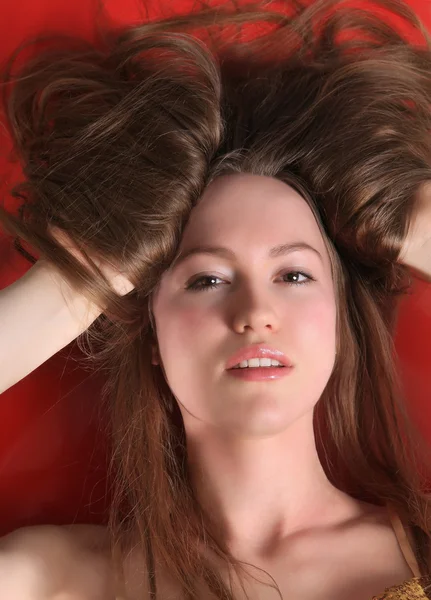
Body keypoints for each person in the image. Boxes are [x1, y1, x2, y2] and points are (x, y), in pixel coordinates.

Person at [1, 0, 431, 598]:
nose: (255, 312)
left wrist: (410, 227)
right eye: (207, 280)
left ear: (339, 321)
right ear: (152, 336)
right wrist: (85, 274)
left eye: (295, 276)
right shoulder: (54, 579)